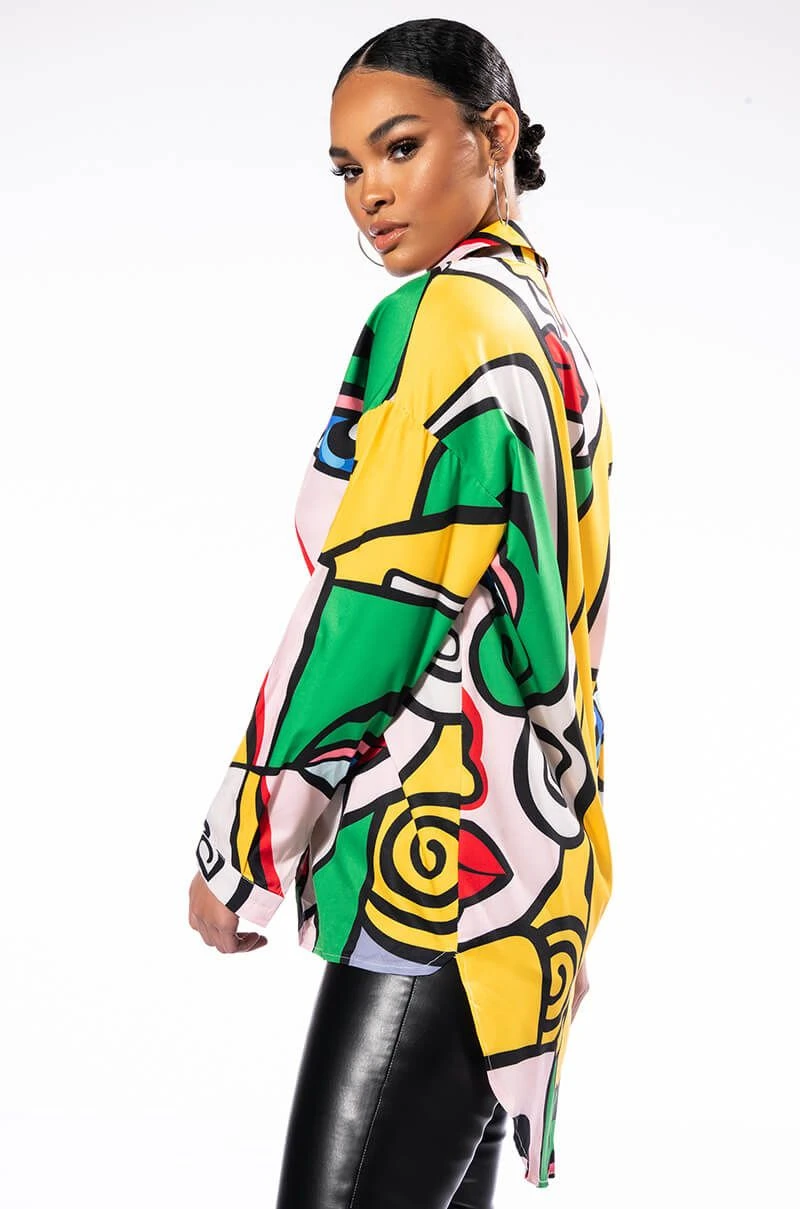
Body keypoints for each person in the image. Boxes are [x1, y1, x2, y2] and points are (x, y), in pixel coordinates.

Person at [188, 17, 614, 1208]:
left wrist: (247, 840)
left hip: (442, 869)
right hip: (532, 864)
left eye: (399, 147)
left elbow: (376, 603)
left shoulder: (443, 320)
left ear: (495, 134)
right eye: (347, 168)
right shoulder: (546, 332)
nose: (368, 194)